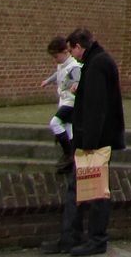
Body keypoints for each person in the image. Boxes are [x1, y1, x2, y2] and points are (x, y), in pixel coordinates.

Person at [42, 27, 125, 256]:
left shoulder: (97, 64)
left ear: (79, 47)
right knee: (78, 189)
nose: (71, 55)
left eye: (72, 50)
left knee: (94, 192)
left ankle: (95, 239)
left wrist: (88, 143)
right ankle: (70, 238)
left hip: (95, 143)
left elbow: (96, 108)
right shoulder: (96, 62)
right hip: (92, 140)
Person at [39, 36, 81, 173]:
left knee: (55, 123)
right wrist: (47, 81)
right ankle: (71, 161)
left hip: (71, 102)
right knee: (68, 129)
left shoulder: (74, 66)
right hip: (63, 101)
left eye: (56, 56)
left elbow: (78, 78)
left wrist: (76, 84)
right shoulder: (62, 65)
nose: (55, 60)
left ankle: (68, 154)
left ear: (65, 52)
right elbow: (57, 74)